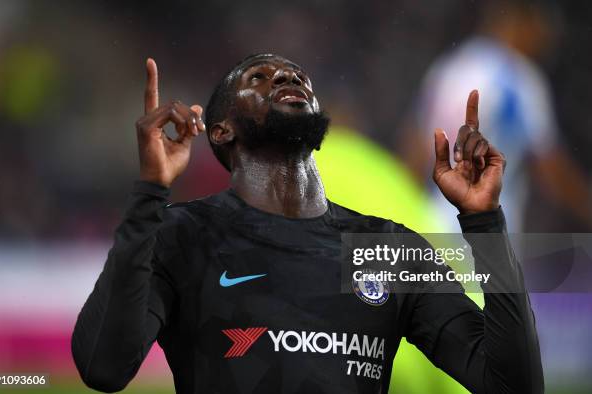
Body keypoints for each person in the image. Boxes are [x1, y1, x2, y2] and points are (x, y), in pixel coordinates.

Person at [71, 54, 543, 393]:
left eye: (298, 76)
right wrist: (151, 192)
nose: (286, 77)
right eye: (259, 76)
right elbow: (103, 367)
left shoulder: (392, 248)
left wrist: (484, 223)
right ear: (221, 130)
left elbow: (512, 384)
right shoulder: (182, 234)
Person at [401, 1, 592, 232]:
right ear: (522, 23)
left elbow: (415, 148)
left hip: (434, 220)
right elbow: (551, 169)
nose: (545, 41)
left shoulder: (450, 68)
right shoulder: (517, 79)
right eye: (543, 29)